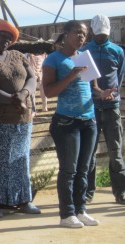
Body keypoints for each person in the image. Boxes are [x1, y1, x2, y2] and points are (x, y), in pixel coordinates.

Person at [42, 20, 109, 228]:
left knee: (84, 168)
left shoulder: (85, 57)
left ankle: (81, 211)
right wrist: (71, 75)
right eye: (78, 33)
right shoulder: (53, 60)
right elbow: (49, 91)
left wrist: (103, 93)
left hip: (88, 120)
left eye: (84, 34)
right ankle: (66, 214)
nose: (81, 37)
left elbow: (93, 88)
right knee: (69, 169)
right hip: (66, 122)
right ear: (65, 33)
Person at [0, 18, 40, 218]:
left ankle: (23, 200)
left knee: (20, 161)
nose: (6, 40)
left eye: (9, 37)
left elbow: (32, 78)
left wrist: (24, 95)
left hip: (23, 119)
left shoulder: (18, 55)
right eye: (2, 36)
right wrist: (12, 99)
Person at [81, 14, 125, 204]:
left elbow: (120, 76)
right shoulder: (83, 51)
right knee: (89, 151)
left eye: (104, 36)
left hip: (111, 107)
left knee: (115, 150)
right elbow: (82, 80)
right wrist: (96, 93)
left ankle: (120, 192)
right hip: (89, 107)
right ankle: (89, 192)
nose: (101, 38)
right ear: (92, 31)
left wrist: (113, 95)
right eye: (98, 35)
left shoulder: (117, 51)